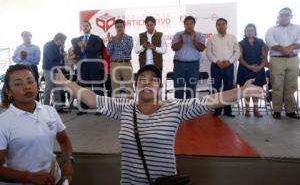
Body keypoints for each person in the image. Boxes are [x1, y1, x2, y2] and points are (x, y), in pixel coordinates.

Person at [55, 64, 263, 184]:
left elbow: (209, 101)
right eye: (142, 79)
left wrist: (240, 92)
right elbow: (92, 98)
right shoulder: (124, 107)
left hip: (165, 184)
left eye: (153, 79)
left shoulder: (173, 108)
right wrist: (67, 84)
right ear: (135, 86)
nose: (147, 82)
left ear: (160, 87)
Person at [0, 64, 73, 185]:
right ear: (9, 91)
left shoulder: (50, 111)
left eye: (30, 81)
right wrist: (29, 177)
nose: (27, 87)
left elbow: (64, 139)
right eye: (18, 84)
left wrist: (68, 162)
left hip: (54, 178)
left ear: (37, 85)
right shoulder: (3, 122)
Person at [265, 7, 300, 119]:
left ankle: (290, 111)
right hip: (276, 60)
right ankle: (277, 110)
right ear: (278, 16)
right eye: (282, 15)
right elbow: (270, 42)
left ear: (291, 16)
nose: (284, 16)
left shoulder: (297, 28)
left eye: (287, 14)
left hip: (293, 59)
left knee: (291, 86)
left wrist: (290, 47)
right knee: (277, 86)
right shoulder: (271, 29)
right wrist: (283, 50)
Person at [206, 18, 240, 117]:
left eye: (223, 24)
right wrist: (217, 61)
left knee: (228, 88)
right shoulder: (212, 38)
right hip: (216, 66)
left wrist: (229, 61)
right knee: (215, 88)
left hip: (229, 66)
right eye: (218, 24)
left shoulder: (232, 37)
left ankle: (228, 111)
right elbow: (208, 52)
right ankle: (217, 110)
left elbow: (237, 51)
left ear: (226, 25)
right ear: (216, 26)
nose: (221, 26)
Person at [72, 21, 105, 115]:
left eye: (87, 26)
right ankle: (83, 107)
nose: (85, 27)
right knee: (83, 87)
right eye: (83, 26)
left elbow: (96, 49)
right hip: (83, 66)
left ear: (90, 27)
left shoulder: (96, 38)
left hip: (94, 65)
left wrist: (85, 46)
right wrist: (81, 49)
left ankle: (100, 107)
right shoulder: (78, 39)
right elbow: (76, 51)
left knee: (97, 87)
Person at [171, 16, 206, 99]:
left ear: (194, 24)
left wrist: (194, 41)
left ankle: (190, 110)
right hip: (179, 65)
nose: (189, 26)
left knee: (191, 88)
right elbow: (173, 48)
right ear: (184, 25)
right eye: (187, 24)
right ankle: (178, 109)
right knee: (178, 88)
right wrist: (181, 42)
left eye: (191, 24)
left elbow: (202, 48)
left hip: (193, 65)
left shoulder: (199, 35)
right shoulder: (178, 34)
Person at [237, 24, 267, 117]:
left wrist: (260, 66)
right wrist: (249, 66)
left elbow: (264, 56)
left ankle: (256, 110)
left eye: (251, 30)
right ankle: (246, 110)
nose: (250, 32)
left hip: (258, 69)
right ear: (245, 32)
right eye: (248, 30)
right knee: (246, 91)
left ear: (255, 31)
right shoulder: (240, 43)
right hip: (245, 69)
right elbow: (240, 58)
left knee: (256, 90)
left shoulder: (261, 41)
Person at [107, 19, 134, 98]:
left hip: (126, 64)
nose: (119, 28)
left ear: (124, 27)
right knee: (115, 88)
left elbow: (128, 51)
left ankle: (131, 108)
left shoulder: (129, 38)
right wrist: (110, 42)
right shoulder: (112, 38)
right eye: (117, 27)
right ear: (115, 28)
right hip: (114, 64)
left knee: (129, 87)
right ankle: (116, 108)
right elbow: (108, 53)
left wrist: (121, 40)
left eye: (121, 27)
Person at [42, 33, 68, 113]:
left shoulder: (59, 47)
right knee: (48, 88)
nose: (64, 42)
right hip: (49, 69)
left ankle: (58, 107)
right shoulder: (48, 45)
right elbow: (52, 57)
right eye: (63, 41)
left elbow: (61, 60)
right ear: (58, 39)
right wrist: (61, 54)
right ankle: (45, 108)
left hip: (57, 70)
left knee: (57, 88)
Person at [12, 31, 41, 101]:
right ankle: (22, 103)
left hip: (32, 69)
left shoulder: (36, 47)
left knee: (34, 87)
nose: (26, 38)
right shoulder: (18, 47)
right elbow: (14, 59)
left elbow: (37, 61)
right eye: (24, 36)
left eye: (28, 36)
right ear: (22, 37)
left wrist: (27, 56)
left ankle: (36, 105)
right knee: (21, 87)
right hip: (20, 69)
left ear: (31, 37)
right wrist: (21, 58)